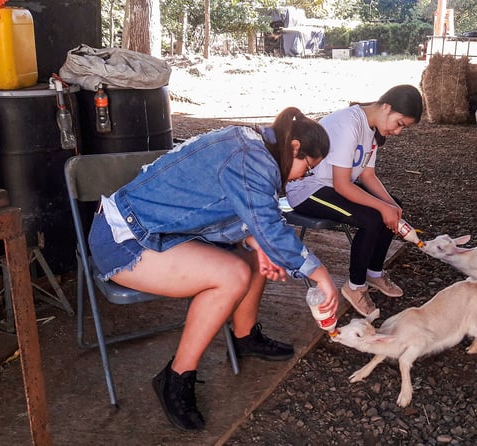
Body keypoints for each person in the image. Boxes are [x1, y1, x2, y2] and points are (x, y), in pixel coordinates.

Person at [87, 107, 339, 432]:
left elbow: (223, 209)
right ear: (294, 149)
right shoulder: (253, 160)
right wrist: (319, 276)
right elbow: (271, 228)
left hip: (162, 230)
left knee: (258, 255)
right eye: (307, 168)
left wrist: (256, 240)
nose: (303, 177)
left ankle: (244, 337)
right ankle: (176, 377)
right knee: (232, 275)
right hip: (124, 238)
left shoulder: (256, 143)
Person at [284, 84, 423, 319]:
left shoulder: (372, 130)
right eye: (399, 124)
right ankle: (355, 286)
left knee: (391, 207)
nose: (398, 132)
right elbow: (342, 185)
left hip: (331, 186)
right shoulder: (349, 123)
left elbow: (367, 176)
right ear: (387, 107)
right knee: (372, 217)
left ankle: (373, 272)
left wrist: (392, 206)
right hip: (308, 188)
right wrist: (382, 207)